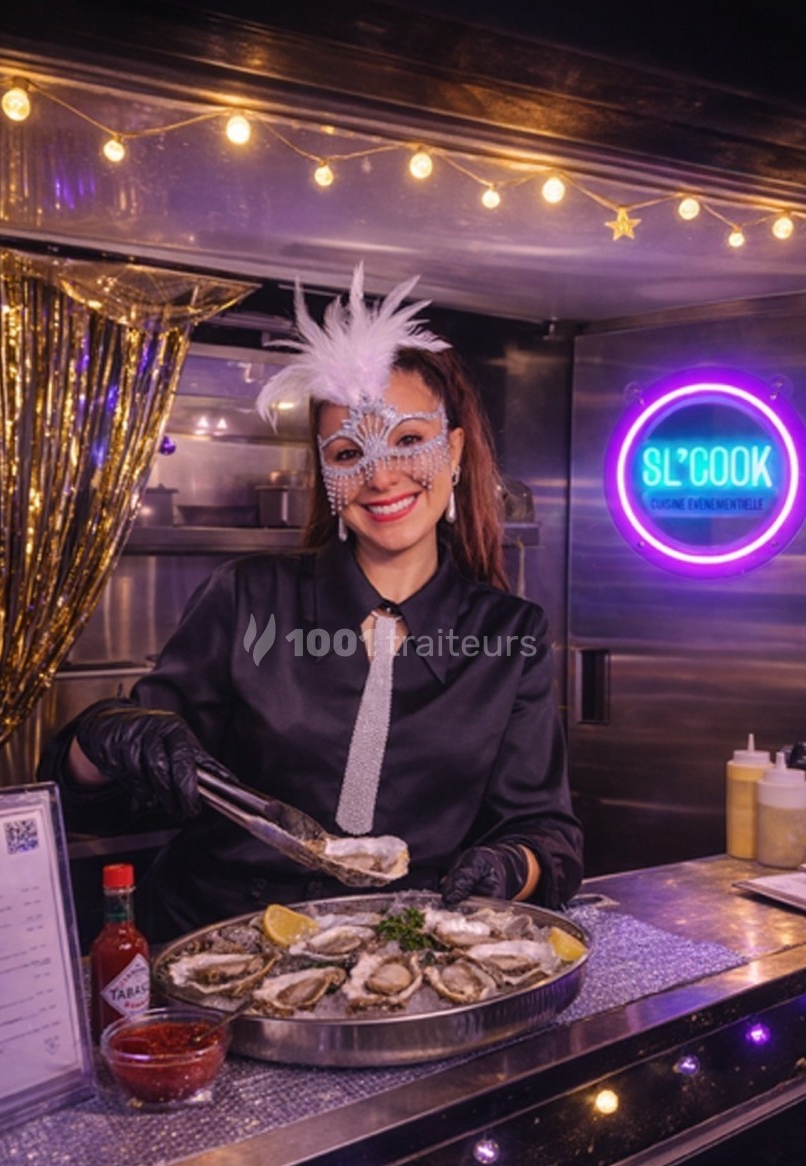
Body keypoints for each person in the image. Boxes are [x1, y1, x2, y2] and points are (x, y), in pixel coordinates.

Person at [39, 265, 583, 942]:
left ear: (456, 451)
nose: (380, 475)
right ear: (325, 474)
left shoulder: (511, 635)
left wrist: (510, 865)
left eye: (408, 440)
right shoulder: (248, 599)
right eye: (349, 451)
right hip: (212, 937)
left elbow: (548, 837)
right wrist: (100, 741)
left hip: (397, 955)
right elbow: (113, 802)